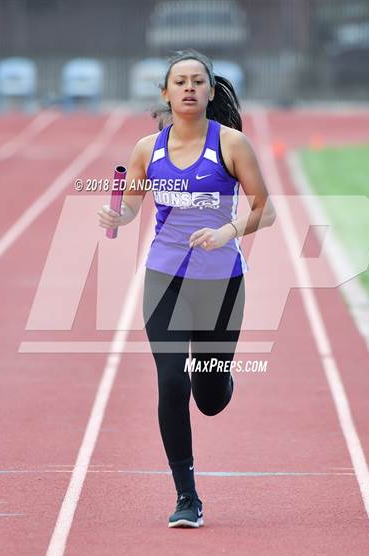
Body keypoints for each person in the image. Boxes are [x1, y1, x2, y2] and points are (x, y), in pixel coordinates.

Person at [98, 49, 276, 528]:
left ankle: (219, 381)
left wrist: (228, 231)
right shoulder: (146, 149)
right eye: (180, 82)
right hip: (165, 278)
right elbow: (134, 205)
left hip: (221, 283)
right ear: (166, 92)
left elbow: (267, 209)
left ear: (211, 90)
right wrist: (120, 214)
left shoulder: (232, 144)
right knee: (171, 382)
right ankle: (186, 496)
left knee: (209, 398)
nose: (190, 88)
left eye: (199, 81)